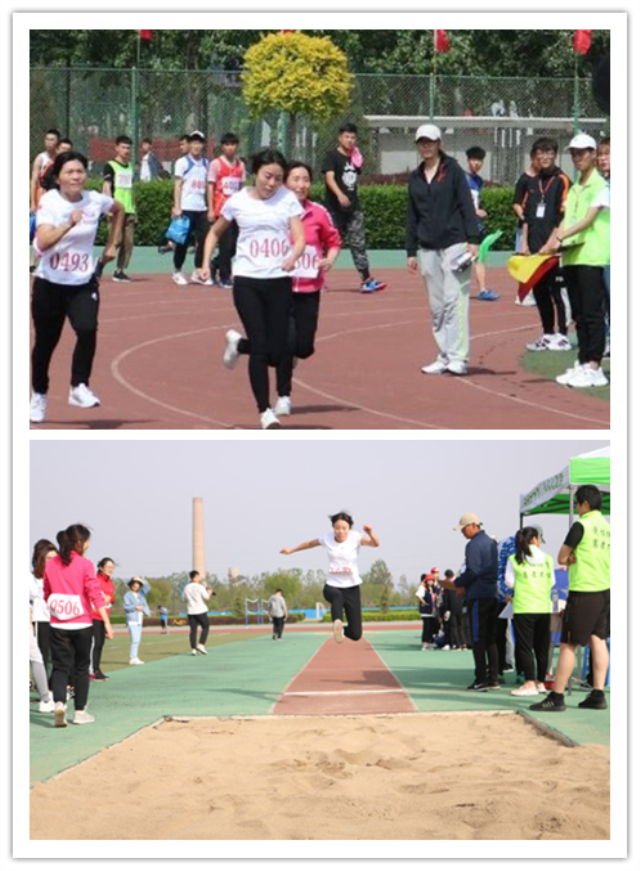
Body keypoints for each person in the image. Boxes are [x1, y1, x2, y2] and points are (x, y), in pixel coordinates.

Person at [200, 148, 306, 430]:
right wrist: (205, 263)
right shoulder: (237, 202)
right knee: (261, 347)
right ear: (255, 173)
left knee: (279, 350)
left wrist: (293, 256)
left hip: (278, 280)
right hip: (247, 281)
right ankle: (264, 411)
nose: (271, 183)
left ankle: (238, 344)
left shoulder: (288, 200)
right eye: (267, 176)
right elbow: (214, 232)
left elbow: (300, 238)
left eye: (278, 178)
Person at [30, 150, 124, 424]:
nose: (75, 176)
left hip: (82, 282)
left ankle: (78, 386)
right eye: (69, 172)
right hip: (50, 284)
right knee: (46, 344)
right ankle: (39, 396)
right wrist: (68, 224)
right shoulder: (50, 201)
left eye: (80, 171)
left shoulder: (95, 200)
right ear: (58, 177)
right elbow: (44, 241)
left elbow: (118, 209)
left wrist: (112, 244)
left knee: (86, 328)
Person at [406, 124, 480, 377]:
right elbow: (412, 215)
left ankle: (459, 357)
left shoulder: (453, 171)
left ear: (439, 143)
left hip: (455, 244)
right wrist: (410, 251)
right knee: (437, 306)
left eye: (431, 141)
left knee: (454, 302)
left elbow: (466, 205)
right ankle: (444, 354)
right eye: (422, 142)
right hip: (427, 248)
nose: (426, 146)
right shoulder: (415, 177)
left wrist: (474, 239)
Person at [530, 485, 610, 713]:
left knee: (567, 644)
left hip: (584, 590)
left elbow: (562, 557)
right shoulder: (608, 527)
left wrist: (571, 559)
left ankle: (557, 697)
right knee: (598, 640)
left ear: (585, 504)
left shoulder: (581, 525)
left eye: (576, 503)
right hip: (605, 590)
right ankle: (597, 693)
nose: (575, 507)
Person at [274, 161, 341, 418]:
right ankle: (283, 395)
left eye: (305, 180)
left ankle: (286, 356)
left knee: (304, 347)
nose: (301, 185)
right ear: (285, 183)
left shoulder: (319, 213)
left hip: (310, 288)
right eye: (295, 179)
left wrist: (330, 259)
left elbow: (333, 242)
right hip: (281, 288)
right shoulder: (276, 212)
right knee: (286, 343)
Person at [547, 134, 610, 389]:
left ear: (593, 154)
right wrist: (551, 241)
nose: (578, 157)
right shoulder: (574, 187)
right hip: (572, 255)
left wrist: (560, 236)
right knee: (580, 314)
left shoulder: (600, 184)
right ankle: (584, 362)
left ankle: (595, 366)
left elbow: (587, 219)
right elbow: (567, 218)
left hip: (592, 254)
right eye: (574, 153)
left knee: (593, 313)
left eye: (583, 152)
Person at [43, 524, 114, 726]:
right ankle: (80, 712)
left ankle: (59, 704)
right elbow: (95, 595)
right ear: (79, 542)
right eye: (87, 541)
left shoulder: (51, 564)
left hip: (58, 624)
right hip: (82, 623)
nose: (88, 545)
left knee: (60, 667)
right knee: (82, 668)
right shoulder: (85, 564)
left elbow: (47, 593)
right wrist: (107, 622)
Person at [280, 511, 380, 643]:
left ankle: (341, 630)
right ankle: (336, 622)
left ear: (349, 528)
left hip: (352, 588)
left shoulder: (355, 538)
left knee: (356, 635)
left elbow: (375, 544)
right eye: (337, 528)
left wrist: (370, 533)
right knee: (337, 596)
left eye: (344, 528)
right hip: (332, 586)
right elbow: (310, 544)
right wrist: (291, 550)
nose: (340, 531)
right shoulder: (327, 538)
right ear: (333, 527)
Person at [519, 138, 572, 352]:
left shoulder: (562, 180)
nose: (544, 156)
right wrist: (525, 244)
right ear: (535, 156)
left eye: (549, 152)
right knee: (540, 293)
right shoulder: (532, 183)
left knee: (558, 292)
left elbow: (564, 215)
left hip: (554, 250)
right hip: (535, 250)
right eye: (540, 152)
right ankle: (548, 333)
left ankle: (563, 334)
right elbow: (526, 217)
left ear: (555, 154)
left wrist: (552, 242)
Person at [438, 513, 500, 691]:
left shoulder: (473, 545)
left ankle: (480, 679)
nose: (463, 533)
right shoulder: (490, 543)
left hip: (479, 597)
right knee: (491, 639)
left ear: (473, 525)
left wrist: (457, 584)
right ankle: (493, 678)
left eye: (464, 528)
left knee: (478, 639)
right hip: (492, 594)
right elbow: (485, 571)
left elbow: (473, 571)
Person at [322, 122, 386, 293]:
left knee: (358, 244)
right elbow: (329, 178)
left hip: (353, 209)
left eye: (353, 137)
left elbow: (354, 180)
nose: (350, 140)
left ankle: (366, 279)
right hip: (334, 209)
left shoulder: (355, 158)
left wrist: (352, 197)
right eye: (346, 137)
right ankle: (316, 278)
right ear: (340, 137)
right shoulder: (332, 156)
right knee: (328, 245)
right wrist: (339, 194)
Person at [505, 527, 554, 697]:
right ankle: (541, 683)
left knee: (525, 647)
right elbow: (552, 581)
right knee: (542, 646)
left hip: (524, 607)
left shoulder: (514, 559)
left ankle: (529, 683)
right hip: (543, 607)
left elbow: (509, 583)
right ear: (534, 539)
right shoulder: (548, 559)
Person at [171, 130, 212, 286]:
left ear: (203, 145)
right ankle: (177, 270)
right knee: (183, 241)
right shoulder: (182, 163)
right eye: (193, 142)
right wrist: (177, 206)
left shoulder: (206, 164)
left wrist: (209, 207)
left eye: (199, 142)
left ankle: (198, 270)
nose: (196, 145)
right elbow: (177, 186)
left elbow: (208, 187)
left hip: (201, 208)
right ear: (189, 144)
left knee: (204, 240)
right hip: (186, 208)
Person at [207, 132, 246, 288]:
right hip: (221, 210)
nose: (230, 148)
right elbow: (210, 186)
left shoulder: (240, 165)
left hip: (237, 211)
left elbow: (241, 188)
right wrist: (210, 208)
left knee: (236, 244)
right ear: (223, 147)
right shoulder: (216, 164)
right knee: (226, 243)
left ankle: (215, 263)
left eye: (233, 144)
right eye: (227, 145)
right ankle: (224, 276)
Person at [464, 146, 498, 301]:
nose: (477, 163)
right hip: (463, 225)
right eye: (474, 160)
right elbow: (461, 202)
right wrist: (474, 211)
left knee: (477, 257)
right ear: (468, 160)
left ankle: (483, 289)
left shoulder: (478, 181)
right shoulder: (462, 179)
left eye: (480, 160)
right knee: (465, 258)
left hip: (474, 225)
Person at [102, 135, 137, 282]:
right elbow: (106, 187)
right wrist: (108, 206)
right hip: (116, 210)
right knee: (116, 241)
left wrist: (135, 208)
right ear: (116, 148)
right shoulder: (110, 165)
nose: (126, 150)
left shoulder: (130, 167)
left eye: (128, 148)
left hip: (129, 210)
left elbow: (131, 190)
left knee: (128, 243)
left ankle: (119, 270)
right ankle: (100, 264)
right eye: (123, 147)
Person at [512, 154, 540, 306]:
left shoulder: (544, 179)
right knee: (524, 258)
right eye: (538, 157)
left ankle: (536, 292)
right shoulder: (524, 180)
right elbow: (516, 203)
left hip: (540, 227)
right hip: (525, 227)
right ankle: (522, 293)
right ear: (532, 158)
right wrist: (525, 218)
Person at [30, 539, 58, 685]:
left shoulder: (60, 576)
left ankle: (55, 686)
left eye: (55, 558)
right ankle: (43, 687)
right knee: (42, 655)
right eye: (48, 559)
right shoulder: (34, 578)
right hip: (41, 620)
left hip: (57, 621)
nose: (52, 561)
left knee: (56, 656)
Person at [596, 136, 611, 358]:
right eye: (600, 155)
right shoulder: (605, 184)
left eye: (607, 154)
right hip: (603, 252)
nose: (602, 159)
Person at [90, 557, 115, 681]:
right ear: (101, 568)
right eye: (108, 567)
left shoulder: (110, 583)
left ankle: (97, 669)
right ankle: (92, 671)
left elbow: (110, 599)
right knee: (94, 644)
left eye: (112, 567)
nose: (111, 569)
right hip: (93, 616)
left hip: (104, 616)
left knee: (100, 644)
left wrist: (110, 600)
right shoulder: (95, 580)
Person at [182, 570, 212, 655]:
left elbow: (184, 600)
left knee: (193, 630)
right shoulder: (200, 587)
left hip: (191, 611)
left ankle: (193, 649)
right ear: (196, 576)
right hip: (200, 610)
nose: (199, 578)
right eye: (198, 576)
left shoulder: (186, 587)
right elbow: (207, 598)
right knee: (206, 626)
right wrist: (209, 593)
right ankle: (201, 644)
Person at [123, 576, 151, 665]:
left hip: (139, 618)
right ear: (131, 585)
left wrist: (141, 579)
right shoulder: (127, 595)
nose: (136, 586)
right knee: (134, 639)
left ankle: (135, 657)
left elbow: (148, 587)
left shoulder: (141, 594)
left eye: (137, 584)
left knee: (137, 639)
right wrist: (135, 607)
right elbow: (126, 607)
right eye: (134, 584)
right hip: (132, 619)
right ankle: (133, 658)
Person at [441, 569, 465, 650]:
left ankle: (458, 645)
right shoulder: (460, 584)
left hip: (452, 609)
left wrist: (446, 610)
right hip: (460, 608)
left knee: (454, 627)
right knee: (461, 626)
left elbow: (446, 600)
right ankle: (464, 643)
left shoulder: (447, 586)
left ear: (446, 577)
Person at [416, 574, 439, 650]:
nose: (430, 582)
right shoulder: (423, 588)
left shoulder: (433, 589)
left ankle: (430, 642)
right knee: (427, 628)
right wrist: (423, 601)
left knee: (432, 628)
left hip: (432, 611)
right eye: (429, 580)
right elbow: (418, 594)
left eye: (432, 580)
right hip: (426, 612)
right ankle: (424, 643)